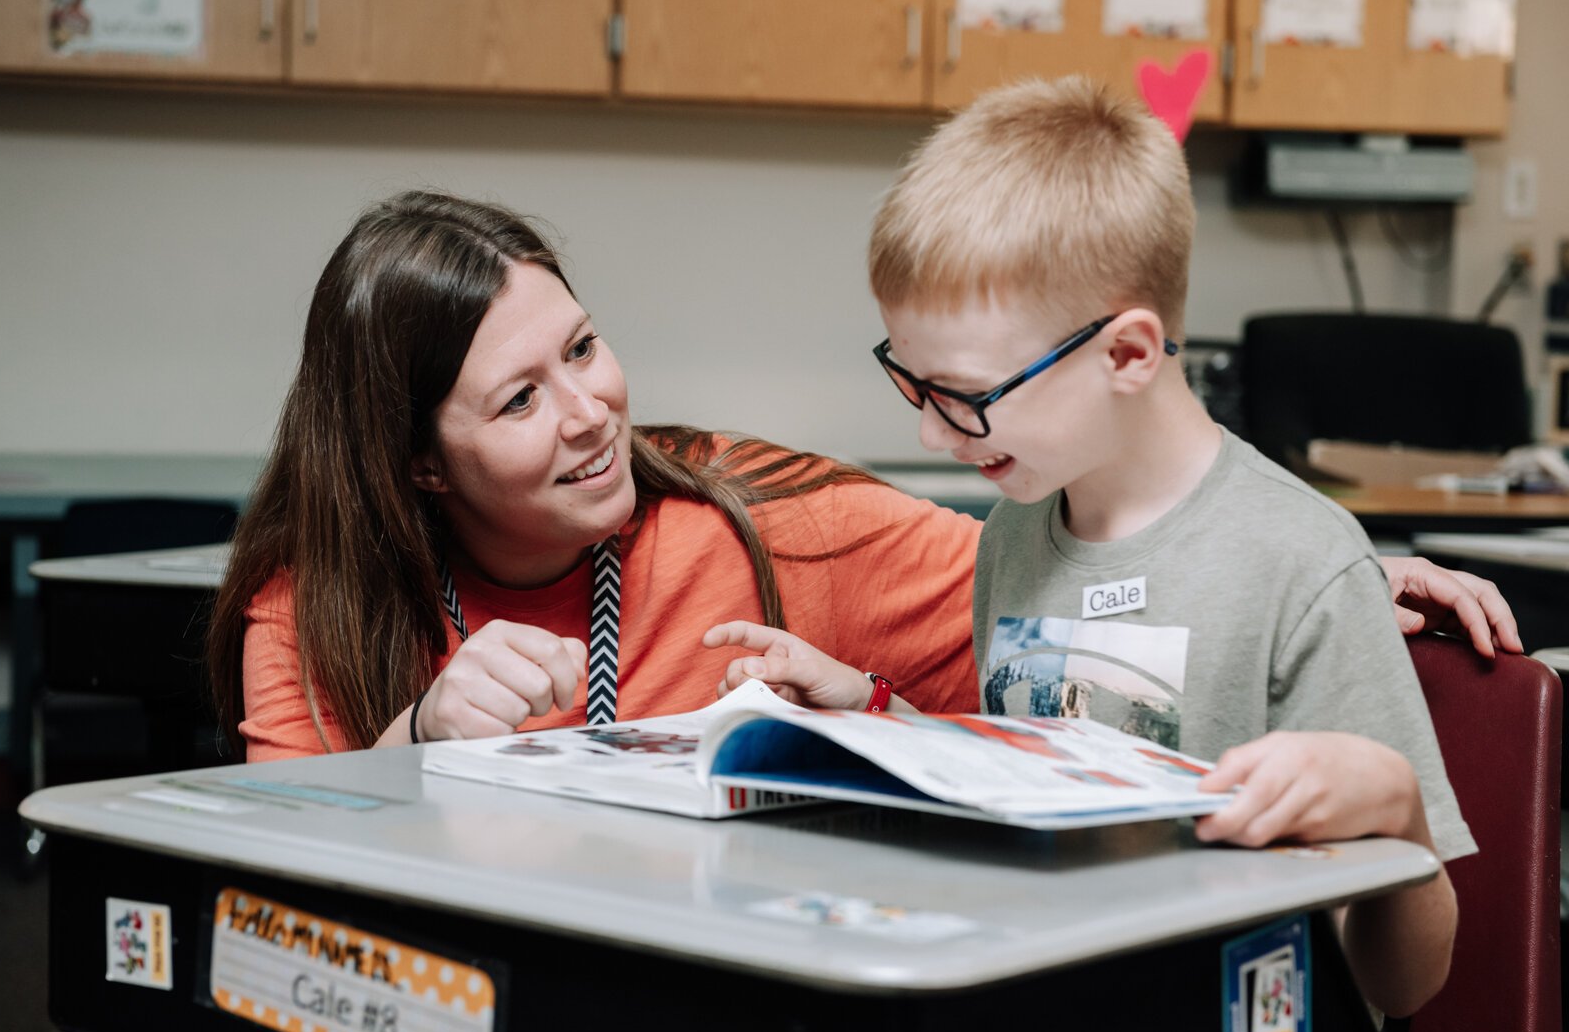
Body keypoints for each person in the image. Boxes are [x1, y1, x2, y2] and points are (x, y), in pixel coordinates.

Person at [210, 190, 1515, 770]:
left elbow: (1089, 586)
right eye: (517, 399)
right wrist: (419, 741)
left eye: (586, 347)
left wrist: (1314, 572)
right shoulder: (312, 604)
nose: (591, 410)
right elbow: (263, 899)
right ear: (419, 470)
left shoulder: (752, 515)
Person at [705, 77, 1490, 1020]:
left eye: (966, 394)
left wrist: (1396, 809)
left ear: (1126, 354)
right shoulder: (1018, 529)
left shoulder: (1304, 564)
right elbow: (1045, 769)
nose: (934, 436)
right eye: (911, 382)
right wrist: (876, 710)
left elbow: (1404, 986)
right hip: (1053, 1004)